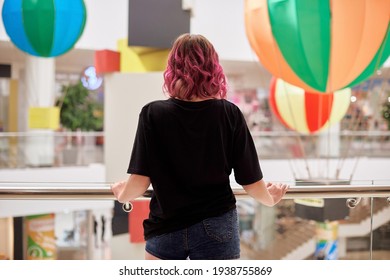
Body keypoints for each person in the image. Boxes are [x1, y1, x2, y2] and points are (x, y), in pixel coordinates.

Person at [111, 33, 289, 260]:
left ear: (173, 67)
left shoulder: (152, 113)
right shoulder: (229, 113)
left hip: (165, 226)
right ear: (213, 67)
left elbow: (139, 182)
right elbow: (250, 181)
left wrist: (121, 194)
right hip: (217, 224)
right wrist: (269, 199)